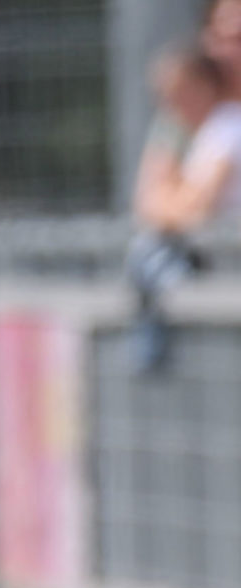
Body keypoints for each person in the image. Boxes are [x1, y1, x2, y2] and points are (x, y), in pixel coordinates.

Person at [128, 49, 241, 373]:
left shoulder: (228, 126)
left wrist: (172, 204)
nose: (168, 106)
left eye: (175, 93)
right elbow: (149, 203)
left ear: (202, 87)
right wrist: (174, 204)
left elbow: (198, 206)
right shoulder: (207, 133)